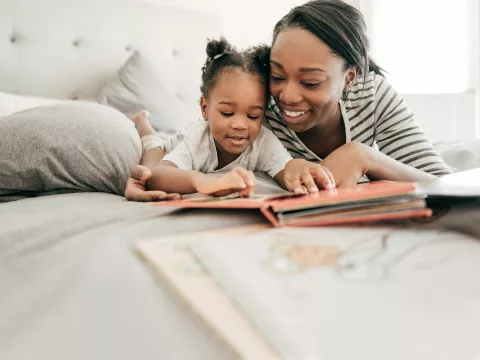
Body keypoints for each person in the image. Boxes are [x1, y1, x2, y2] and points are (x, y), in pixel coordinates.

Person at [125, 0, 450, 202]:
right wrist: (148, 174)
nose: (287, 96)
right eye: (278, 76)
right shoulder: (256, 106)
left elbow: (448, 185)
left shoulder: (373, 96)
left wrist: (365, 156)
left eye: (310, 82)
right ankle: (143, 123)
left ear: (349, 78)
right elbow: (192, 152)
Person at [131, 38, 335, 198]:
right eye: (227, 113)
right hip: (167, 148)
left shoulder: (263, 141)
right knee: (150, 154)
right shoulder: (197, 139)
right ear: (205, 108)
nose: (239, 125)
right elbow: (159, 176)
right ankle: (142, 121)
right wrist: (200, 181)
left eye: (253, 115)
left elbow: (285, 167)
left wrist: (299, 168)